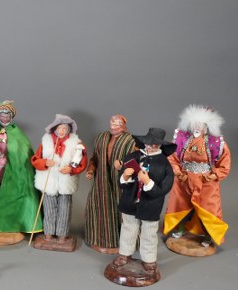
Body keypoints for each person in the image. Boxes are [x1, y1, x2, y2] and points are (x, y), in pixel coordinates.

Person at [163, 105, 231, 248]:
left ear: (207, 126)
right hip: (184, 180)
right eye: (194, 123)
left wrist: (214, 175)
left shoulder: (216, 143)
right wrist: (178, 172)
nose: (197, 127)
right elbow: (172, 157)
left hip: (206, 182)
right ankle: (180, 228)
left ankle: (208, 235)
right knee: (181, 206)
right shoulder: (180, 139)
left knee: (208, 209)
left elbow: (224, 163)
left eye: (200, 124)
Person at [111, 128, 176, 275]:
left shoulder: (164, 164)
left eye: (154, 144)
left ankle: (149, 259)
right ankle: (124, 254)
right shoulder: (132, 157)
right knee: (128, 229)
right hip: (130, 202)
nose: (150, 147)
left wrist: (148, 182)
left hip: (150, 205)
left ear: (160, 145)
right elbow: (121, 183)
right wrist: (125, 176)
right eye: (148, 143)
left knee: (149, 233)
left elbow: (165, 188)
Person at [0, 100, 42, 243]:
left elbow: (24, 154)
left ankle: (10, 222)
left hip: (12, 173)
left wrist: (16, 163)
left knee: (10, 197)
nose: (5, 118)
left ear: (11, 117)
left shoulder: (18, 134)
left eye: (7, 116)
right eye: (2, 115)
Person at [31, 114, 87, 242]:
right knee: (49, 207)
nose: (62, 131)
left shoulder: (76, 143)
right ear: (55, 129)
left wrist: (72, 169)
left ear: (68, 129)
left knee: (65, 208)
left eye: (64, 128)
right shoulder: (46, 141)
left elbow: (82, 161)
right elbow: (35, 159)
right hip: (48, 180)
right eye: (59, 128)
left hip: (66, 181)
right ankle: (49, 232)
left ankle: (62, 233)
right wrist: (45, 162)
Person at [84, 115, 136, 253]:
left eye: (116, 125)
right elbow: (95, 158)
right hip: (101, 181)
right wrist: (90, 170)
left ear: (123, 127)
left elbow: (135, 163)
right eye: (111, 124)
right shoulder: (102, 137)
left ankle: (123, 242)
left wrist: (123, 166)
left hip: (121, 184)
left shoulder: (130, 141)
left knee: (122, 211)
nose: (113, 127)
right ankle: (99, 239)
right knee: (97, 207)